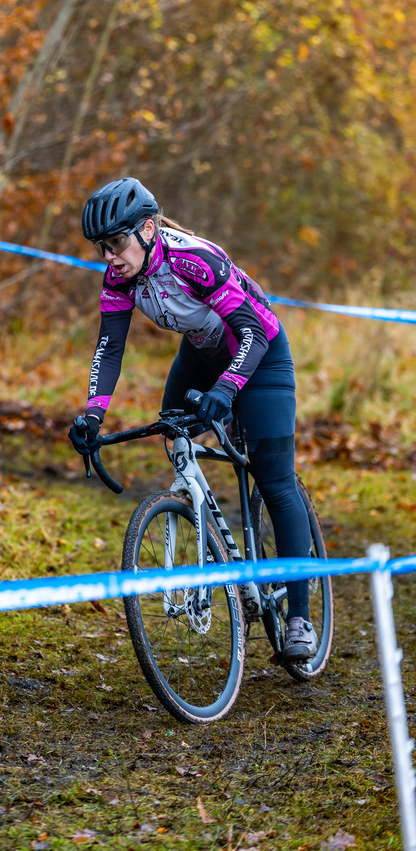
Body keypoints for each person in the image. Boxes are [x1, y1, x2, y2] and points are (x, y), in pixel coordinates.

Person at [68, 176, 317, 661]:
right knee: (174, 431)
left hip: (260, 353)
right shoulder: (119, 278)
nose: (109, 257)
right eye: (102, 247)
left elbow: (252, 331)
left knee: (274, 479)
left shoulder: (193, 260)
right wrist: (92, 415)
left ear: (147, 229)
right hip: (203, 354)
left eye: (116, 243)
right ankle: (208, 529)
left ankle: (299, 618)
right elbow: (109, 347)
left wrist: (227, 389)